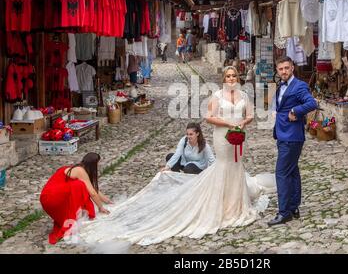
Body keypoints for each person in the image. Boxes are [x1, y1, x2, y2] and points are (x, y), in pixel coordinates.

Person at [78, 66, 275, 246]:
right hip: (222, 136)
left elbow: (250, 114)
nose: (231, 78)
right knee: (224, 165)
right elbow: (209, 117)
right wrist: (229, 124)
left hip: (240, 135)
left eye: (234, 76)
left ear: (237, 78)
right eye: (228, 76)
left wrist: (242, 123)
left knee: (236, 165)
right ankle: (224, 205)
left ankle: (237, 202)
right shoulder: (217, 95)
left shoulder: (243, 95)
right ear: (224, 78)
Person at [268, 57, 317, 226]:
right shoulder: (282, 85)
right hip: (283, 133)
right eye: (280, 69)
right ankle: (294, 206)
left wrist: (296, 110)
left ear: (293, 68)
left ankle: (284, 212)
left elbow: (312, 103)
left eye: (286, 68)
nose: (283, 71)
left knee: (281, 173)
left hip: (291, 136)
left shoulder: (299, 86)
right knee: (292, 171)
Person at [40, 152, 112, 244]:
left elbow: (93, 188)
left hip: (46, 199)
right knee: (79, 186)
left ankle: (75, 215)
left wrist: (106, 200)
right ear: (93, 164)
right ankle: (80, 215)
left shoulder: (75, 168)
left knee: (80, 185)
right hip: (52, 199)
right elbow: (92, 193)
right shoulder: (80, 171)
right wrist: (101, 207)